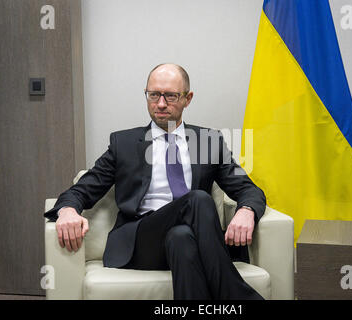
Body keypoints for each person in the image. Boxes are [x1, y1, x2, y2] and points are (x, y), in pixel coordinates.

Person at [44, 63, 266, 300]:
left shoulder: (207, 142)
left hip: (187, 238)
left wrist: (246, 210)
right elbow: (82, 189)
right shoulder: (125, 144)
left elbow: (247, 188)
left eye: (170, 96)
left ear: (188, 98)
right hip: (140, 242)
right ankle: (239, 296)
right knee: (198, 200)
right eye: (154, 95)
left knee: (182, 238)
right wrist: (67, 209)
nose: (160, 104)